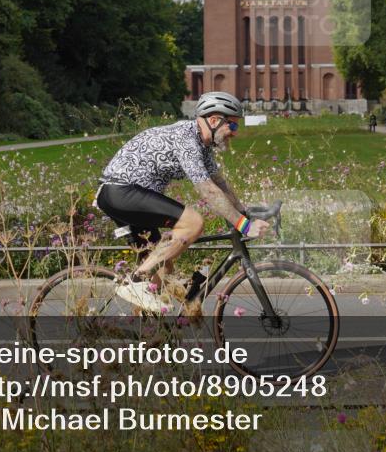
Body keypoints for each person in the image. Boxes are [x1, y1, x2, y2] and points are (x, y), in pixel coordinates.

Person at [95, 91, 269, 313]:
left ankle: (153, 338)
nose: (234, 133)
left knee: (164, 273)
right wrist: (244, 226)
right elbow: (208, 190)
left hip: (128, 194)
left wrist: (245, 213)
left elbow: (220, 184)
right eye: (232, 126)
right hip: (120, 191)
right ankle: (136, 281)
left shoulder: (203, 145)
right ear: (214, 120)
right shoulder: (186, 138)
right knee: (193, 223)